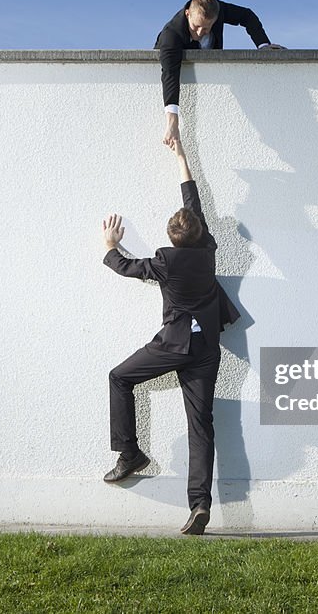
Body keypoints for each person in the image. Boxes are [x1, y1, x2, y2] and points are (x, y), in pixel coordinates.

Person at [101, 139, 241, 535]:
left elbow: (128, 267)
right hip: (206, 350)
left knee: (119, 377)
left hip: (172, 346)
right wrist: (181, 156)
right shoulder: (208, 250)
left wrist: (111, 247)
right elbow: (193, 202)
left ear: (172, 237)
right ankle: (199, 505)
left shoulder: (166, 260)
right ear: (199, 233)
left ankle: (130, 453)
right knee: (202, 426)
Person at [155, 0, 283, 147]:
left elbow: (247, 16)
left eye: (207, 27)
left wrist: (263, 46)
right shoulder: (171, 35)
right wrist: (172, 122)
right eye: (196, 26)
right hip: (180, 79)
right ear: (187, 13)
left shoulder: (218, 10)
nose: (200, 32)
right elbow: (170, 74)